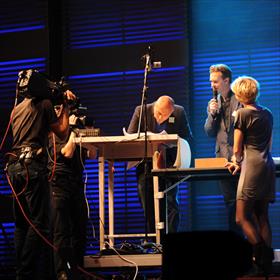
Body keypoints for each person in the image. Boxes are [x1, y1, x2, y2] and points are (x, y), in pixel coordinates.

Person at [5, 76, 75, 280]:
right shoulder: (44, 104)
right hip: (32, 168)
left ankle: (22, 272)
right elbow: (62, 132)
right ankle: (25, 273)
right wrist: (65, 105)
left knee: (21, 224)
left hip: (15, 169)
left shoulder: (16, 109)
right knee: (40, 224)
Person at [225, 76, 275, 275]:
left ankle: (260, 257)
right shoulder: (268, 114)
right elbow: (269, 143)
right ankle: (267, 266)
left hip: (251, 167)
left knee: (241, 217)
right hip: (266, 165)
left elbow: (237, 149)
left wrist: (235, 162)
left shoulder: (241, 113)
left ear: (239, 94)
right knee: (262, 216)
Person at [127, 95, 193, 234]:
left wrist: (170, 140)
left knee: (171, 202)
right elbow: (130, 137)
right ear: (155, 107)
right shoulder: (141, 111)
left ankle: (171, 239)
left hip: (169, 163)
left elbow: (187, 137)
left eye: (165, 115)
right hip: (146, 163)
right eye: (158, 113)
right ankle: (154, 240)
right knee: (148, 202)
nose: (160, 118)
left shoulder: (179, 112)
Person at [48, 112, 97, 280]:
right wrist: (74, 133)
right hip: (59, 185)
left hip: (76, 185)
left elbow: (92, 154)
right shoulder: (54, 133)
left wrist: (87, 134)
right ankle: (62, 272)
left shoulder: (75, 132)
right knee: (62, 232)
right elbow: (67, 152)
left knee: (80, 231)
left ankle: (78, 269)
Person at [204, 64, 243, 235]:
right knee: (229, 202)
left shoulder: (240, 100)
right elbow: (209, 132)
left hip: (240, 159)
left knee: (242, 203)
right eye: (211, 82)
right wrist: (212, 115)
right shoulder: (213, 103)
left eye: (215, 82)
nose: (212, 85)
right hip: (223, 160)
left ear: (226, 81)